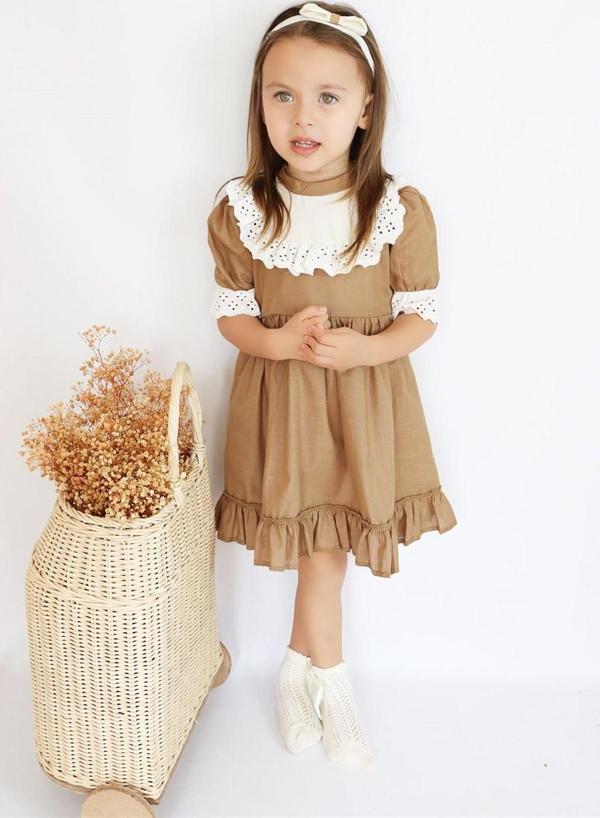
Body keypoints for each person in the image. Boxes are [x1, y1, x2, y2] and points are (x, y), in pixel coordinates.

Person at [206, 1, 458, 770]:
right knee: (322, 556)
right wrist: (278, 341)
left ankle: (301, 673)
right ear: (259, 102)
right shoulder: (244, 210)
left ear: (365, 110)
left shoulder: (395, 210)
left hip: (362, 408)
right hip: (284, 411)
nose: (303, 117)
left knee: (327, 553)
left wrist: (364, 352)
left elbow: (421, 317)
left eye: (327, 97)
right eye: (282, 95)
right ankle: (329, 685)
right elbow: (231, 316)